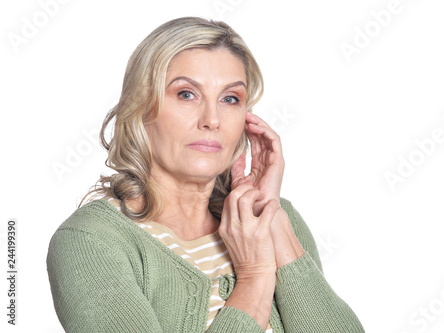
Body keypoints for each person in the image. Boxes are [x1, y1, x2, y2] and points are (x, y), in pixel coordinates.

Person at [46, 16, 364, 333]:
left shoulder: (278, 221)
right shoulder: (92, 240)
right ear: (142, 107)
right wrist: (254, 277)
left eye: (230, 99)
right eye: (187, 94)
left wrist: (270, 214)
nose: (212, 119)